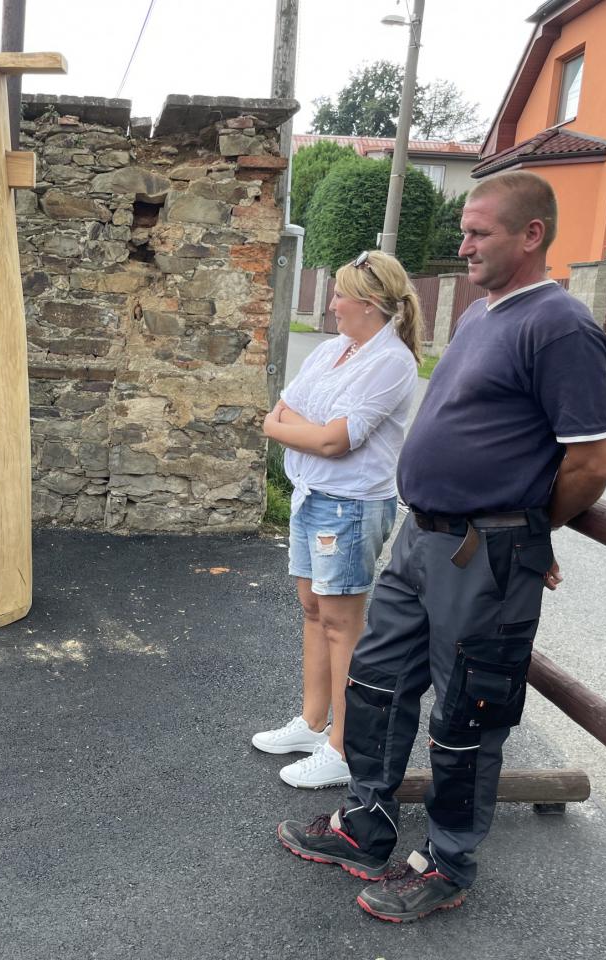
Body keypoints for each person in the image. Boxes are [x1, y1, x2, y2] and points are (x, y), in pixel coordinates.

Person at [277, 171, 606, 922]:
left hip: (484, 552)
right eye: (464, 230)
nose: (462, 245)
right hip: (421, 538)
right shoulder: (478, 316)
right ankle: (365, 823)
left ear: (531, 235)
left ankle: (446, 862)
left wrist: (530, 533)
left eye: (478, 232)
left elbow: (595, 461)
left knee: (467, 711)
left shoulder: (559, 326)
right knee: (375, 682)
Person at [255, 251, 421, 789]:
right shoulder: (332, 350)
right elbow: (282, 412)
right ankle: (311, 723)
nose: (331, 304)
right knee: (312, 611)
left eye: (340, 294)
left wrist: (292, 430)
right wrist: (308, 429)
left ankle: (344, 747)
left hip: (350, 506)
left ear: (369, 304)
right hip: (312, 497)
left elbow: (335, 440)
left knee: (340, 624)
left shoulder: (392, 362)